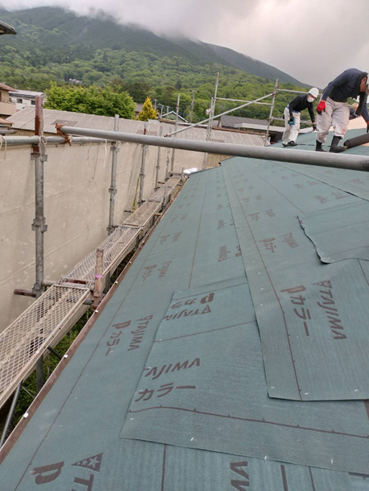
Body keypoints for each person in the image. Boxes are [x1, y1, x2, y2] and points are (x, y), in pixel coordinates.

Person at [316, 69, 369, 152]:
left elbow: (363, 105)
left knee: (343, 122)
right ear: (364, 80)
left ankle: (333, 146)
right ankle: (318, 147)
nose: (364, 92)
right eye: (365, 89)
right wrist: (323, 101)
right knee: (324, 124)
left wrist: (368, 121)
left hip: (341, 102)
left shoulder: (364, 89)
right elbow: (332, 84)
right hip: (328, 98)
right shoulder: (350, 74)